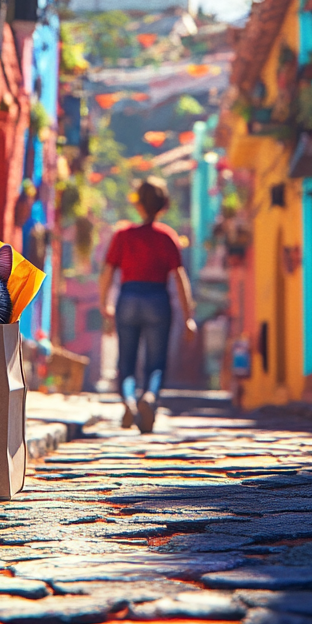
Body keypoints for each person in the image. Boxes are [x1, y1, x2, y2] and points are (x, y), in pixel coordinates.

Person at [98, 176, 196, 433]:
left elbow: (107, 273)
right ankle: (150, 397)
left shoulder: (123, 235)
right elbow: (180, 278)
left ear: (138, 204)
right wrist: (188, 317)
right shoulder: (167, 237)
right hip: (157, 300)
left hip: (128, 298)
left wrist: (104, 305)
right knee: (156, 361)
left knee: (126, 361)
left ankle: (129, 402)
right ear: (163, 206)